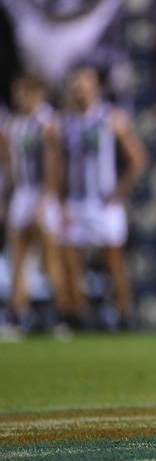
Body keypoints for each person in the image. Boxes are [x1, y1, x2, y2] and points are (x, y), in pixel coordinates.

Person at [60, 65, 147, 329]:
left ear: (96, 88)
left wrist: (120, 192)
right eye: (76, 86)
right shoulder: (66, 122)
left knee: (113, 261)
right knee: (70, 260)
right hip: (76, 201)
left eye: (84, 85)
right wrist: (61, 199)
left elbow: (137, 158)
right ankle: (78, 315)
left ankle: (124, 314)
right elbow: (60, 164)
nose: (80, 91)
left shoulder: (111, 118)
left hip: (103, 201)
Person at [0, 76, 71, 340]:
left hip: (42, 194)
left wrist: (46, 199)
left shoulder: (47, 123)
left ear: (35, 93)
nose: (19, 97)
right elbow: (10, 167)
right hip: (22, 194)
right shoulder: (14, 124)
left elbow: (54, 164)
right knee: (17, 259)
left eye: (23, 92)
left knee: (50, 259)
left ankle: (59, 316)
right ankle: (16, 316)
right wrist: (6, 198)